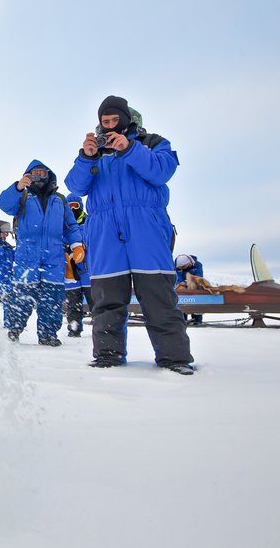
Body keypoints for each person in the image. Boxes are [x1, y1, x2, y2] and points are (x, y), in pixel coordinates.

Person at [65, 95, 194, 374]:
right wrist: (85, 158)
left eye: (114, 120)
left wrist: (130, 149)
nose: (110, 126)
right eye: (104, 121)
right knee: (106, 301)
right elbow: (75, 186)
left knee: (159, 298)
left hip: (146, 229)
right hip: (105, 233)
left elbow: (162, 172)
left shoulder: (153, 143)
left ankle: (175, 358)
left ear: (126, 119)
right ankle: (107, 356)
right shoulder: (96, 152)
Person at [0, 161, 84, 347]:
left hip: (54, 257)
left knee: (52, 299)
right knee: (22, 297)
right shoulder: (22, 197)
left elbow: (70, 226)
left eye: (42, 172)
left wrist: (77, 244)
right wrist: (18, 187)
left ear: (48, 175)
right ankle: (14, 329)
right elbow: (3, 204)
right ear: (28, 175)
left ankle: (47, 334)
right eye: (34, 172)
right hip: (27, 257)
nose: (38, 175)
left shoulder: (59, 200)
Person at [64, 193, 92, 337]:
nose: (73, 209)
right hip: (71, 272)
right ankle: (74, 330)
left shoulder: (90, 223)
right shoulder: (64, 226)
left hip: (88, 271)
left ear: (80, 206)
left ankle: (101, 328)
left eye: (75, 206)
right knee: (73, 304)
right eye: (69, 207)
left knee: (96, 303)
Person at [175, 253, 204, 324]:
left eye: (184, 266)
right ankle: (182, 319)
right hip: (183, 289)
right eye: (180, 267)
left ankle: (197, 320)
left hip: (195, 288)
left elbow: (199, 277)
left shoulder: (198, 265)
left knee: (197, 302)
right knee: (182, 302)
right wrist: (181, 283)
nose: (182, 268)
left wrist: (188, 282)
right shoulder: (176, 267)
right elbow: (178, 278)